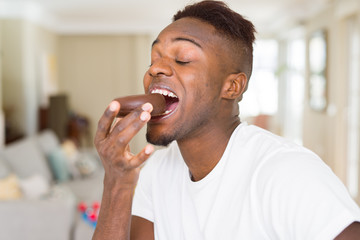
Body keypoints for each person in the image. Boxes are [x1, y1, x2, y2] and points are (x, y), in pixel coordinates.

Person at [92, 1, 360, 239]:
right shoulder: (155, 173)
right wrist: (117, 181)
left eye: (183, 58)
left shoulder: (287, 172)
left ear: (232, 87)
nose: (154, 69)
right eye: (153, 59)